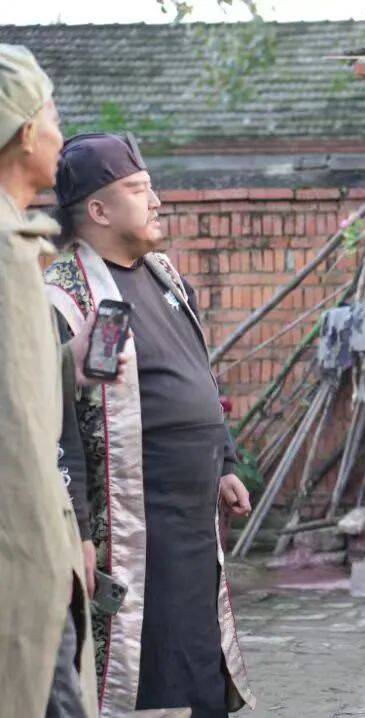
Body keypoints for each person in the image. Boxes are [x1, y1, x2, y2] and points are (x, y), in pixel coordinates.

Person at [44, 133, 256, 717]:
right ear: (98, 210)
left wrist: (226, 461)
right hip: (131, 530)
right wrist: (78, 532)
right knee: (140, 677)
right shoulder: (68, 298)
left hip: (194, 524)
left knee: (203, 672)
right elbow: (56, 422)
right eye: (139, 189)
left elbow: (198, 373)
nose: (156, 200)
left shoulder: (164, 276)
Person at [0, 43, 101, 718]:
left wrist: (68, 358)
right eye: (55, 118)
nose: (62, 136)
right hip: (22, 542)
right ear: (27, 129)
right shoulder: (7, 251)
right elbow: (15, 423)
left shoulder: (19, 241)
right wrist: (56, 545)